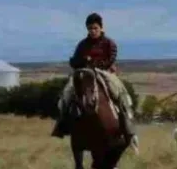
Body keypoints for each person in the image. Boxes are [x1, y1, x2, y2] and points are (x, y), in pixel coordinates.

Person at [51, 13, 136, 141]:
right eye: (90, 28)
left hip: (104, 72)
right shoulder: (82, 44)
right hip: (84, 73)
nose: (93, 31)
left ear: (101, 28)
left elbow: (111, 58)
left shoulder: (109, 43)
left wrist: (98, 64)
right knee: (66, 93)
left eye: (95, 28)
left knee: (120, 91)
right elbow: (74, 61)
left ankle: (128, 126)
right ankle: (61, 125)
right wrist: (81, 61)